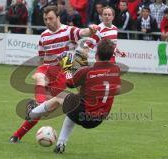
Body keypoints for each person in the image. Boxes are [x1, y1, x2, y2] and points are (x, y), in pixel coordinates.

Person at [9, 5, 98, 143]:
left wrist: (91, 29)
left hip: (62, 73)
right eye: (45, 19)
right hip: (47, 69)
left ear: (58, 17)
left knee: (44, 110)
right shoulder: (44, 36)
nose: (47, 21)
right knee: (40, 77)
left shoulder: (68, 31)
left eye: (50, 18)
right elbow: (41, 58)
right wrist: (41, 70)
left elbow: (83, 32)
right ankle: (36, 104)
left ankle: (18, 134)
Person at [25, 39, 121, 153]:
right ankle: (61, 144)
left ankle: (32, 113)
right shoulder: (116, 70)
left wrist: (67, 69)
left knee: (60, 97)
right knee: (74, 104)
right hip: (99, 119)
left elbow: (69, 83)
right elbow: (118, 90)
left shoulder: (87, 71)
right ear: (111, 56)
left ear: (96, 55)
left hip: (83, 113)